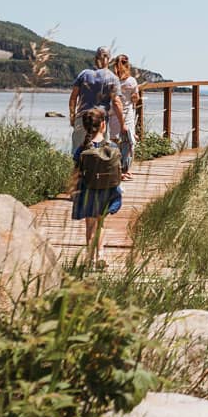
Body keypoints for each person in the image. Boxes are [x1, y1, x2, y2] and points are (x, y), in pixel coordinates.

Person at [71, 106, 123, 266]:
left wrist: (73, 190)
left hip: (88, 190)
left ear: (85, 126)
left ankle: (90, 257)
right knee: (101, 224)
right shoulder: (112, 147)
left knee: (90, 225)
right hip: (107, 191)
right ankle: (101, 254)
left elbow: (76, 171)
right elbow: (119, 169)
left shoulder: (83, 148)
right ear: (103, 125)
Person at [67, 47, 126, 155]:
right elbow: (116, 103)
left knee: (77, 152)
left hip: (82, 119)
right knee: (102, 153)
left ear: (95, 58)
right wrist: (122, 125)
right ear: (109, 59)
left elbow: (73, 97)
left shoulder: (84, 74)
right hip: (101, 121)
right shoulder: (113, 78)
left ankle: (78, 171)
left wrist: (72, 116)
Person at [110, 54, 141, 179]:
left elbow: (135, 98)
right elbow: (135, 98)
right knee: (125, 141)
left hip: (118, 114)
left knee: (117, 141)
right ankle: (123, 170)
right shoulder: (130, 81)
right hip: (122, 114)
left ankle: (120, 168)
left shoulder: (114, 80)